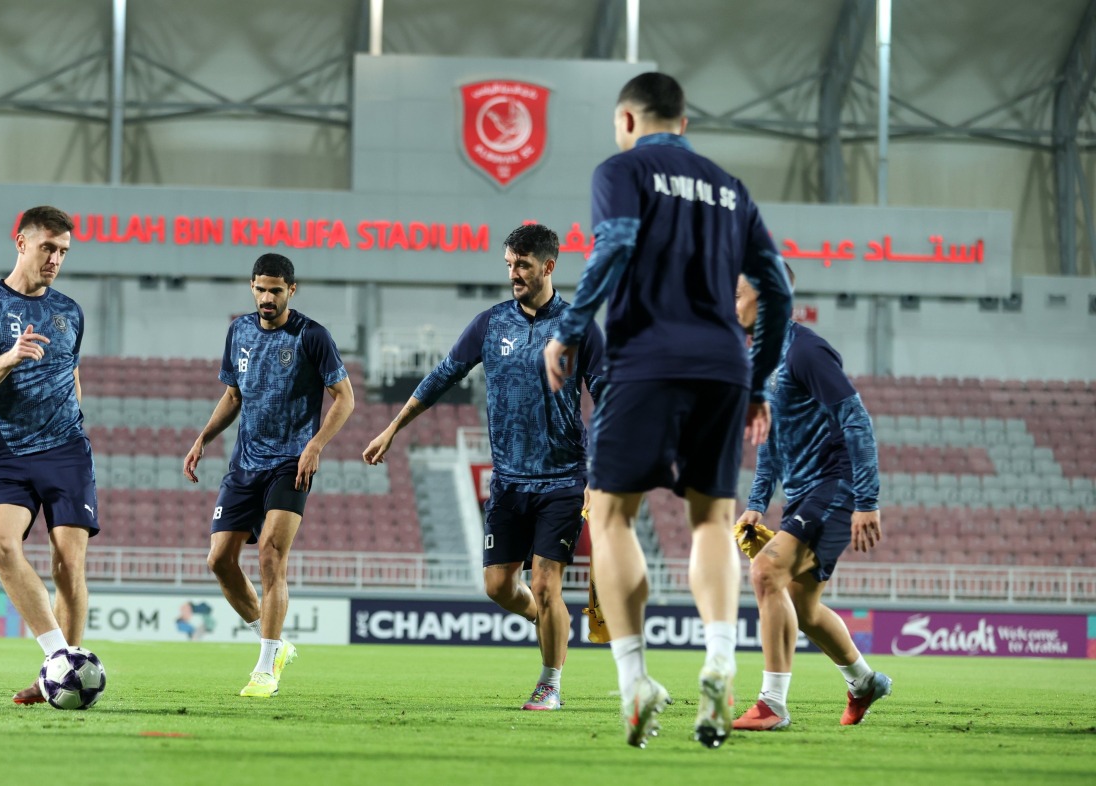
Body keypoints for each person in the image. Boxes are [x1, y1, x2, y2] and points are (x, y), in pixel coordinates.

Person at [543, 72, 792, 749]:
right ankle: (719, 663)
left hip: (645, 360)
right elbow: (777, 288)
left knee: (610, 514)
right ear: (683, 123)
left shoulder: (621, 170)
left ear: (627, 120)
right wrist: (759, 382)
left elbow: (617, 241)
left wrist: (570, 328)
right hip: (724, 367)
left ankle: (636, 681)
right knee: (711, 519)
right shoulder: (730, 187)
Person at [363, 224, 605, 711]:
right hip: (508, 481)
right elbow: (442, 377)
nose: (514, 274)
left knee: (546, 583)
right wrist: (392, 428)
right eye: (509, 264)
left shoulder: (579, 327)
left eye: (523, 265)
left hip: (562, 479)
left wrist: (599, 475)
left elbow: (608, 401)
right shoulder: (490, 324)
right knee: (498, 587)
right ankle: (549, 619)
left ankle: (550, 683)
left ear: (549, 266)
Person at [184, 252, 354, 698]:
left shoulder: (312, 336)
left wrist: (315, 445)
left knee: (271, 557)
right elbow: (233, 395)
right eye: (260, 289)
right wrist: (203, 437)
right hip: (245, 464)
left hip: (290, 463)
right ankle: (274, 640)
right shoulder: (239, 331)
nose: (266, 297)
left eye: (275, 290)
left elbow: (345, 398)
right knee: (219, 561)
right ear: (252, 287)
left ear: (291, 291)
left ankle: (265, 669)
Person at [731, 265, 890, 731]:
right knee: (803, 608)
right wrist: (758, 501)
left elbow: (856, 419)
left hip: (835, 486)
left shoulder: (805, 351)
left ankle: (772, 705)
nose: (729, 303)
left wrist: (867, 500)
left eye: (737, 294)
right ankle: (864, 682)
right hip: (804, 494)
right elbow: (771, 439)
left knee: (766, 572)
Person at [0, 205, 96, 705]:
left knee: (68, 565)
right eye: (47, 248)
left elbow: (72, 375)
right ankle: (60, 661)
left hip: (66, 452)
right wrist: (11, 356)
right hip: (8, 455)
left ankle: (59, 674)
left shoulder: (71, 311)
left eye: (63, 251)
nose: (55, 259)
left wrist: (72, 420)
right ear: (21, 243)